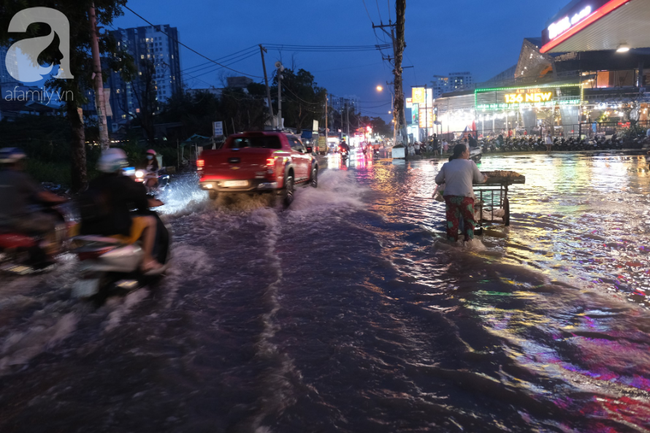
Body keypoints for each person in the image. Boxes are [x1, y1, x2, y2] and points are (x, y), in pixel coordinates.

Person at [80, 148, 163, 272]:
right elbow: (140, 201)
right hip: (115, 229)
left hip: (90, 232)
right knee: (151, 221)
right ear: (120, 165)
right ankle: (146, 261)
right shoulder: (123, 183)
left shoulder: (93, 183)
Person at [0, 147, 66, 247]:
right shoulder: (20, 177)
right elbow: (43, 196)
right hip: (16, 222)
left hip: (2, 223)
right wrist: (62, 199)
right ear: (18, 161)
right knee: (52, 221)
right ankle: (51, 253)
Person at [434, 144, 487, 243]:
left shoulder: (447, 165)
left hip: (451, 199)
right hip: (466, 198)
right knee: (469, 222)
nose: (468, 153)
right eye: (467, 151)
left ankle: (452, 244)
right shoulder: (470, 164)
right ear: (462, 153)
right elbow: (480, 179)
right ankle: (469, 243)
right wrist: (485, 178)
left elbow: (437, 180)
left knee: (452, 223)